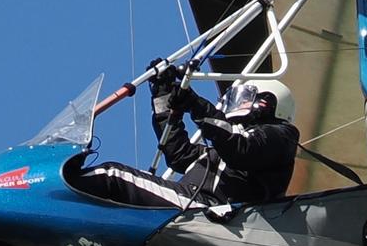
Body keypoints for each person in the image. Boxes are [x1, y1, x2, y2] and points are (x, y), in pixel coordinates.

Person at [81, 69, 299, 221]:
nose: (236, 104)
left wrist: (195, 105)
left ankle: (60, 187)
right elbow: (179, 154)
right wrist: (163, 94)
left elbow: (241, 149)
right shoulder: (218, 153)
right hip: (196, 206)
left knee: (112, 176)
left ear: (267, 104)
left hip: (213, 211)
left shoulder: (282, 136)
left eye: (244, 98)